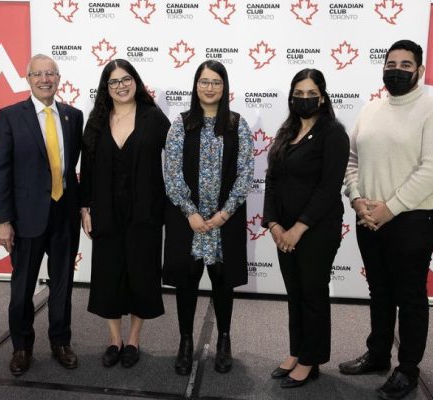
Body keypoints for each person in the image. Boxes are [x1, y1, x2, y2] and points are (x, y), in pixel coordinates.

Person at [341, 40, 433, 400]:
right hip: (368, 217)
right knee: (379, 291)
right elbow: (352, 160)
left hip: (413, 219)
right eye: (391, 63)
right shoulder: (370, 109)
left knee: (410, 296)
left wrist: (389, 208)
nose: (397, 69)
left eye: (406, 64)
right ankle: (377, 355)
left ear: (419, 71)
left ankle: (407, 369)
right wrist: (358, 201)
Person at [0, 54, 83, 375]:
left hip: (64, 217)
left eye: (51, 74)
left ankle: (60, 341)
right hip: (25, 219)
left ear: (58, 79)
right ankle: (21, 346)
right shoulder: (10, 116)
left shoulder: (74, 116)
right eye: (38, 74)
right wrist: (2, 221)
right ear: (28, 79)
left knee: (62, 286)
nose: (45, 79)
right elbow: (0, 172)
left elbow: (72, 170)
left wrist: (83, 207)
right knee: (22, 291)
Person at [163, 60, 254, 375]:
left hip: (222, 223)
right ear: (196, 85)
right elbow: (171, 172)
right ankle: (185, 342)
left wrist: (225, 213)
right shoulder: (182, 123)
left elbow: (245, 173)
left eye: (216, 81)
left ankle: (224, 340)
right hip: (188, 223)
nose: (210, 87)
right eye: (204, 81)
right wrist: (190, 212)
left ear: (224, 86)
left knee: (222, 282)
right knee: (186, 283)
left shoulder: (237, 124)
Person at [80, 59, 170, 368]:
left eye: (126, 79)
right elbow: (87, 171)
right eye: (114, 81)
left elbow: (173, 165)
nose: (121, 86)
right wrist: (85, 207)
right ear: (106, 88)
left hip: (144, 212)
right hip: (105, 211)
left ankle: (133, 340)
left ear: (136, 81)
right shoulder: (96, 121)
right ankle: (114, 339)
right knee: (108, 275)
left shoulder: (155, 118)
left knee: (142, 275)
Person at [263, 69, 349, 389]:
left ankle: (311, 360)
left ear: (322, 97)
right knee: (295, 293)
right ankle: (296, 351)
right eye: (298, 93)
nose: (304, 98)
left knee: (312, 293)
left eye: (310, 93)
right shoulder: (287, 131)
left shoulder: (333, 133)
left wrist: (297, 229)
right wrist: (273, 224)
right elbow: (272, 180)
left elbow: (328, 189)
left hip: (316, 231)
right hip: (283, 230)